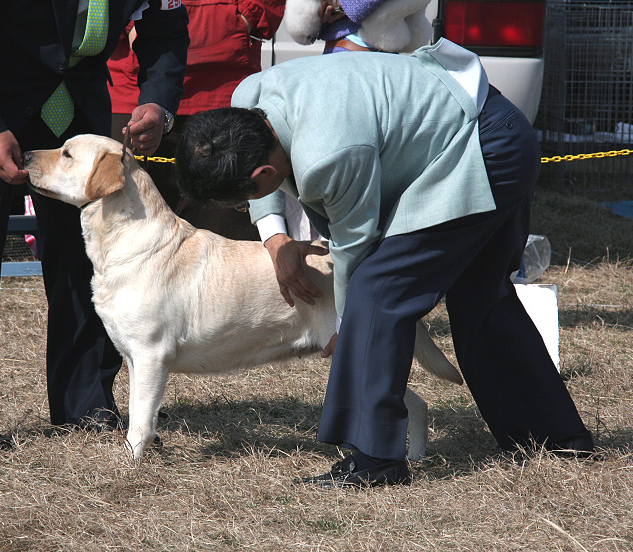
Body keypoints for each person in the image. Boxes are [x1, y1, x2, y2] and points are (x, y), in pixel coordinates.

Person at [175, 40, 594, 488]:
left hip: (485, 148)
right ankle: (551, 436)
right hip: (476, 123)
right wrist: (277, 239)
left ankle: (375, 460)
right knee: (480, 297)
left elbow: (356, 252)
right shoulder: (250, 99)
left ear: (261, 176)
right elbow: (277, 183)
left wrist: (344, 327)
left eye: (246, 200)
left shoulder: (328, 156)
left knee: (378, 290)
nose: (251, 206)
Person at [0, 0, 189, 452]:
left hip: (69, 103)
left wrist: (158, 103)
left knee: (82, 251)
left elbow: (166, 29)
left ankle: (85, 400)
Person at [107, 0, 284, 240]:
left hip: (227, 94)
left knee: (227, 258)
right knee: (128, 245)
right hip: (131, 94)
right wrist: (129, 15)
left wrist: (243, 18)